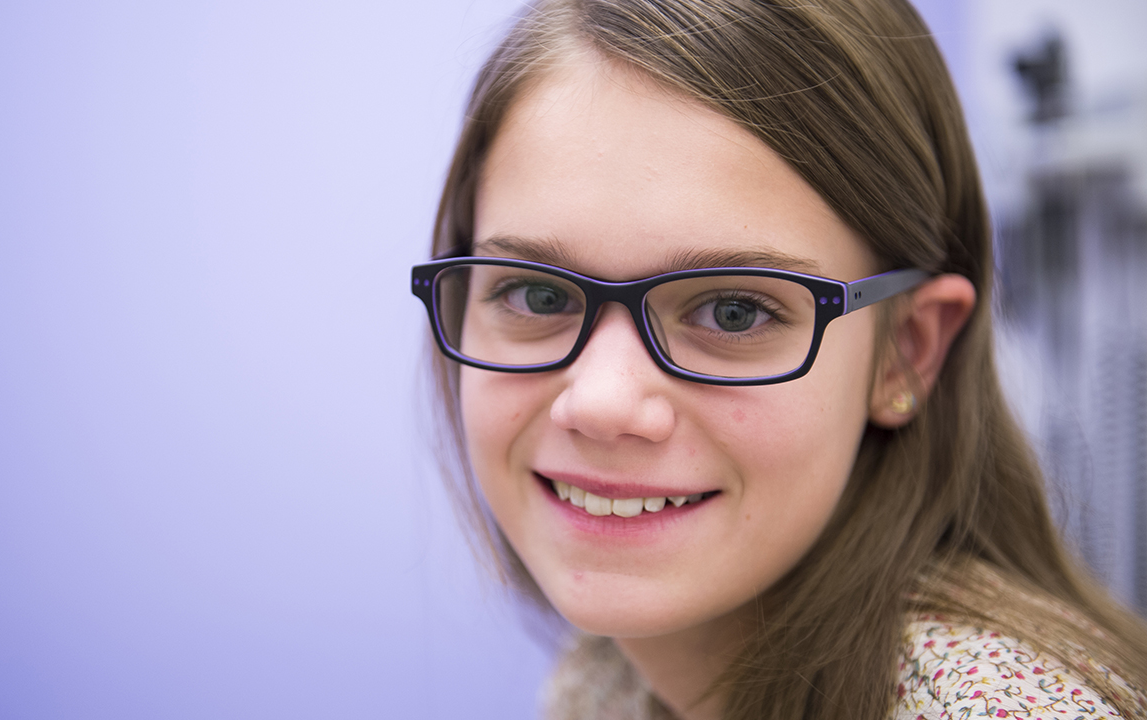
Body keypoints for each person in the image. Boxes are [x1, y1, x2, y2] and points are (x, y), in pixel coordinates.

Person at [409, 1, 1147, 718]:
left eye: (733, 312)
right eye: (537, 297)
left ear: (906, 352)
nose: (600, 401)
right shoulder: (604, 682)